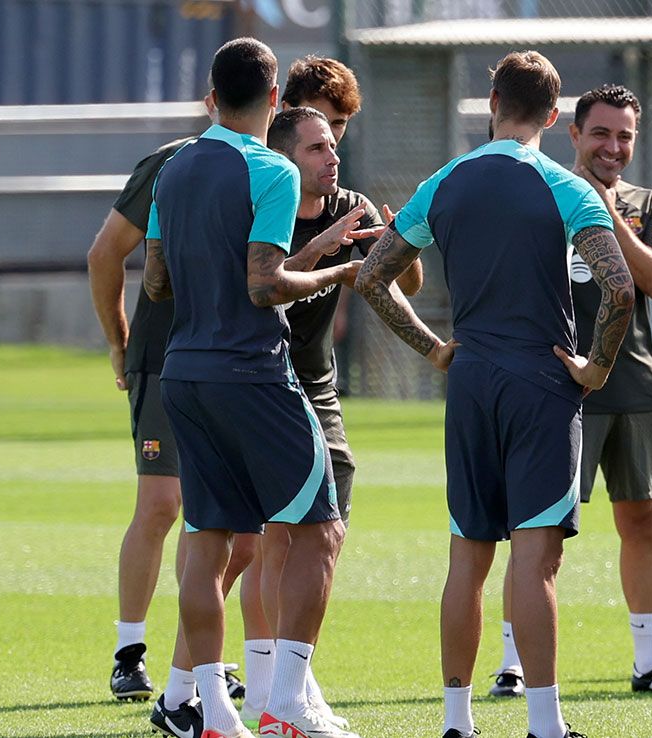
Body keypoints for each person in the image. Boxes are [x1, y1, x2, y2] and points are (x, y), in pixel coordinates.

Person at [353, 51, 634, 738]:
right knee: (535, 559)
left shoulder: (443, 183)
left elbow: (371, 278)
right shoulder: (565, 187)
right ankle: (545, 725)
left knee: (467, 556)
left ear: (492, 102)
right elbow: (620, 288)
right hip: (541, 382)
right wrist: (596, 368)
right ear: (553, 113)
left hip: (472, 380)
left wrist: (434, 348)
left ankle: (457, 721)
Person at [142, 37, 361, 738]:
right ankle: (288, 705)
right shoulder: (269, 170)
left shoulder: (172, 171)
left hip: (185, 374)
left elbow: (154, 281)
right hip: (254, 375)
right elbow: (265, 284)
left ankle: (214, 712)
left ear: (212, 96)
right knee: (319, 531)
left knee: (207, 543)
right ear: (274, 100)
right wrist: (332, 273)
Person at [490, 84, 652, 698]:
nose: (613, 147)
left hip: (634, 382)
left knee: (643, 521)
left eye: (624, 137)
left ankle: (650, 662)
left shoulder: (648, 203)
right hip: (559, 386)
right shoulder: (543, 191)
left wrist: (607, 212)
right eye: (601, 134)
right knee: (541, 529)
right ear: (573, 134)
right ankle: (512, 664)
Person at [234, 105, 423, 731]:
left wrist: (399, 240)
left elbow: (405, 281)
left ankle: (279, 690)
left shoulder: (353, 203)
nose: (332, 157)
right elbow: (264, 288)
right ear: (288, 158)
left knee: (318, 533)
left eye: (334, 145)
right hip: (265, 383)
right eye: (317, 148)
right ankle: (278, 694)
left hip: (319, 386)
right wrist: (323, 253)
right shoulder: (268, 210)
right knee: (279, 539)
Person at [88, 99, 256, 713]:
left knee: (216, 515)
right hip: (163, 354)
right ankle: (129, 651)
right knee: (162, 503)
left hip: (235, 361)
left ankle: (200, 659)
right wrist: (118, 339)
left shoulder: (271, 167)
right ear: (212, 102)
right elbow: (107, 251)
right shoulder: (169, 163)